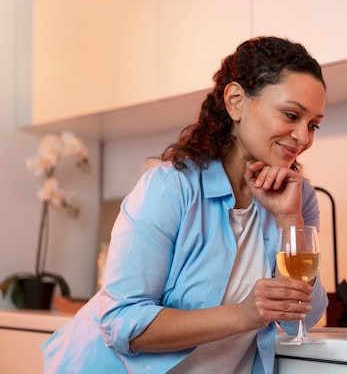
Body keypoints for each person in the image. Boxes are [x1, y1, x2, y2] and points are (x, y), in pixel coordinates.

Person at [42, 36, 329, 374]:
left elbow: (303, 318)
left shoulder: (298, 196)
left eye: (313, 125)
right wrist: (243, 314)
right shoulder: (170, 189)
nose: (303, 137)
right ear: (236, 101)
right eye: (291, 114)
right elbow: (122, 321)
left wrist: (288, 220)